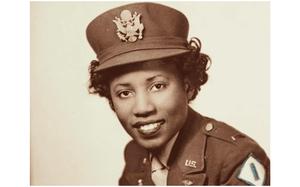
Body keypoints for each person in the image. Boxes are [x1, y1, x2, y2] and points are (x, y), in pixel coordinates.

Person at [86, 2, 270, 185]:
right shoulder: (135, 154)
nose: (142, 108)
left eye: (157, 86)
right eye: (125, 93)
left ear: (188, 87)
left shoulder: (235, 158)